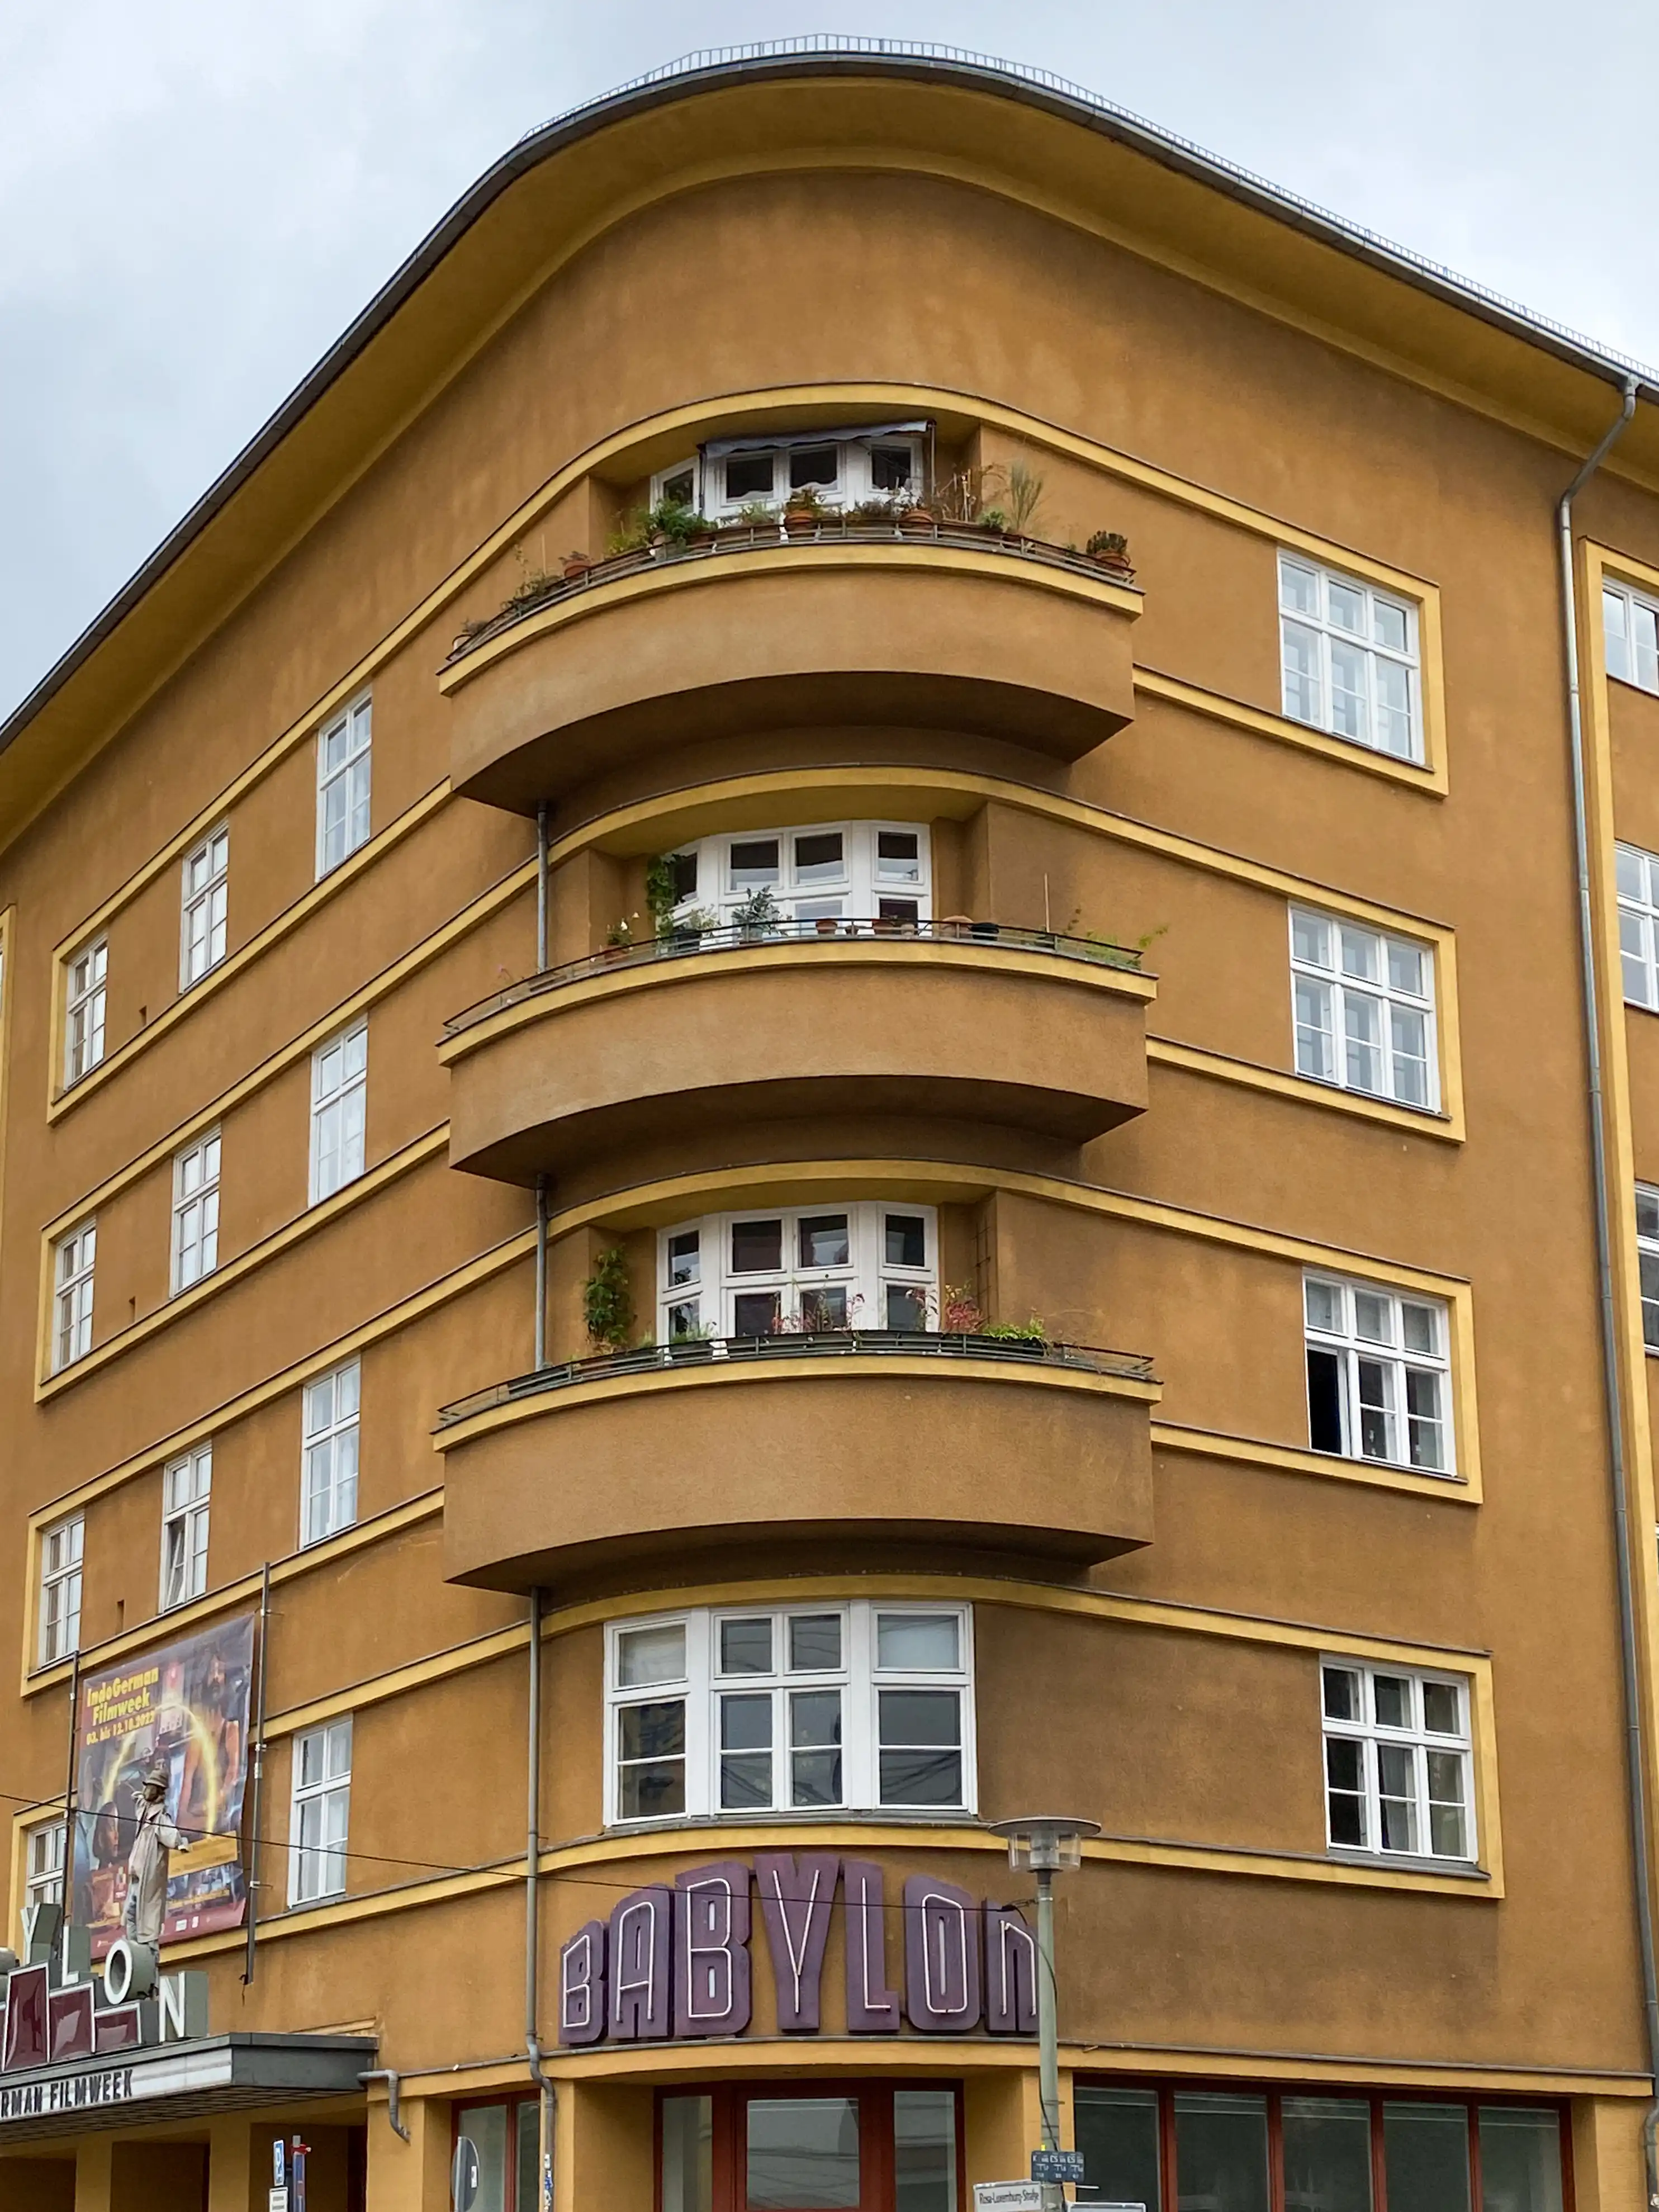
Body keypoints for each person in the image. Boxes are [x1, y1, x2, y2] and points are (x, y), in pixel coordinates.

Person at [123, 1755, 189, 1949]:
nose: (146, 1790)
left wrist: (180, 1843)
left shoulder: (159, 1816)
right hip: (136, 1874)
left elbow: (170, 1831)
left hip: (148, 1875)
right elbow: (138, 1800)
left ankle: (146, 1950)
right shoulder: (144, 1808)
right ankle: (134, 1947)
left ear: (157, 1791)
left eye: (150, 1787)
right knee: (130, 1913)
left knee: (146, 1916)